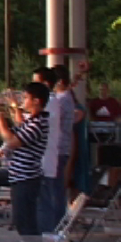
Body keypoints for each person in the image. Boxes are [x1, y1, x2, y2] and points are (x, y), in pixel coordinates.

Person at [0, 82, 49, 242]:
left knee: (26, 224)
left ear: (36, 101)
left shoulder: (38, 123)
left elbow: (13, 141)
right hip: (21, 177)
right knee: (22, 222)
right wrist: (14, 107)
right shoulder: (33, 120)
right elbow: (19, 126)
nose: (24, 101)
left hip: (27, 178)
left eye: (26, 98)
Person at [32, 67, 61, 234]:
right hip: (39, 160)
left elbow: (34, 123)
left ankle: (46, 238)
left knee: (44, 204)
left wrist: (15, 109)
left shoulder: (51, 101)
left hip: (44, 160)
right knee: (40, 203)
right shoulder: (48, 101)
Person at [52, 65, 75, 227]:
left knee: (55, 191)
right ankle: (58, 222)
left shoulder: (62, 99)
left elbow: (51, 122)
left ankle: (56, 224)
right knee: (57, 189)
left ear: (59, 81)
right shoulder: (64, 98)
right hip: (61, 147)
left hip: (59, 148)